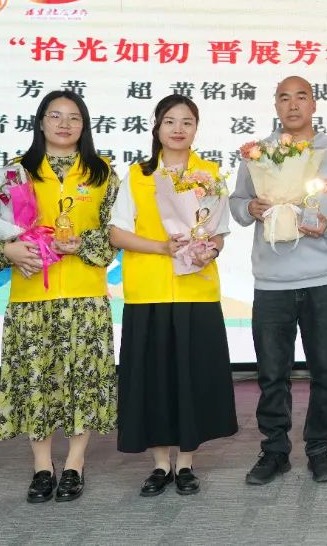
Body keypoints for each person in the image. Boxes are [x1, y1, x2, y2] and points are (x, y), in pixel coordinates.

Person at [0, 90, 119, 503]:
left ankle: (75, 463)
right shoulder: (15, 174)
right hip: (30, 298)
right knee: (35, 381)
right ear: (40, 122)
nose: (64, 124)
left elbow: (113, 238)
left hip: (85, 296)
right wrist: (9, 250)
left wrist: (81, 244)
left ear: (84, 125)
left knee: (83, 382)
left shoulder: (102, 173)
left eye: (74, 117)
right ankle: (42, 466)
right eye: (55, 116)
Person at [231, 76, 327, 486]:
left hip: (323, 280)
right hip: (272, 282)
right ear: (275, 105)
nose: (292, 105)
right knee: (272, 374)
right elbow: (237, 203)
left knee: (325, 372)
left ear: (314, 104)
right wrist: (251, 207)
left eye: (301, 97)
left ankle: (320, 449)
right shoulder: (258, 154)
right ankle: (274, 451)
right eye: (283, 98)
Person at [109, 95, 238, 497]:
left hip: (196, 291)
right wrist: (161, 248)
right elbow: (116, 233)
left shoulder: (210, 174)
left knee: (191, 377)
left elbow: (220, 232)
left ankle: (185, 463)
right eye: (170, 121)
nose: (178, 129)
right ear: (156, 127)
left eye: (187, 122)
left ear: (196, 129)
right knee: (154, 379)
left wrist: (210, 249)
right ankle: (160, 464)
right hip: (148, 290)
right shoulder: (137, 175)